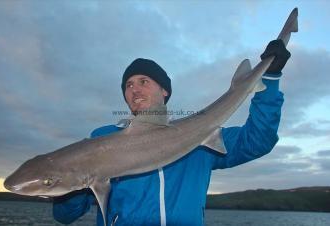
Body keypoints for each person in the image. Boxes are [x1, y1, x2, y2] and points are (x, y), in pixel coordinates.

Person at [53, 39, 290, 226]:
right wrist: (71, 184)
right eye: (128, 85)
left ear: (164, 90)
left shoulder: (198, 136)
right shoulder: (102, 139)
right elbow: (65, 216)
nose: (134, 89)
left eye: (143, 81)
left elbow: (258, 140)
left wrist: (269, 80)